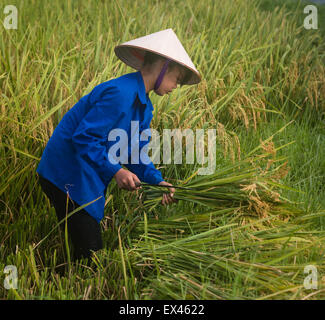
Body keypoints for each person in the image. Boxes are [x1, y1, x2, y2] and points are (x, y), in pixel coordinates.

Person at [36, 28, 201, 262]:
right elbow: (84, 137)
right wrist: (117, 170)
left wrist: (158, 181)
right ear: (163, 67)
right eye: (177, 79)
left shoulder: (144, 106)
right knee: (91, 255)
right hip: (66, 173)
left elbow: (134, 153)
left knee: (85, 243)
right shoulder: (120, 93)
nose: (177, 86)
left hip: (84, 174)